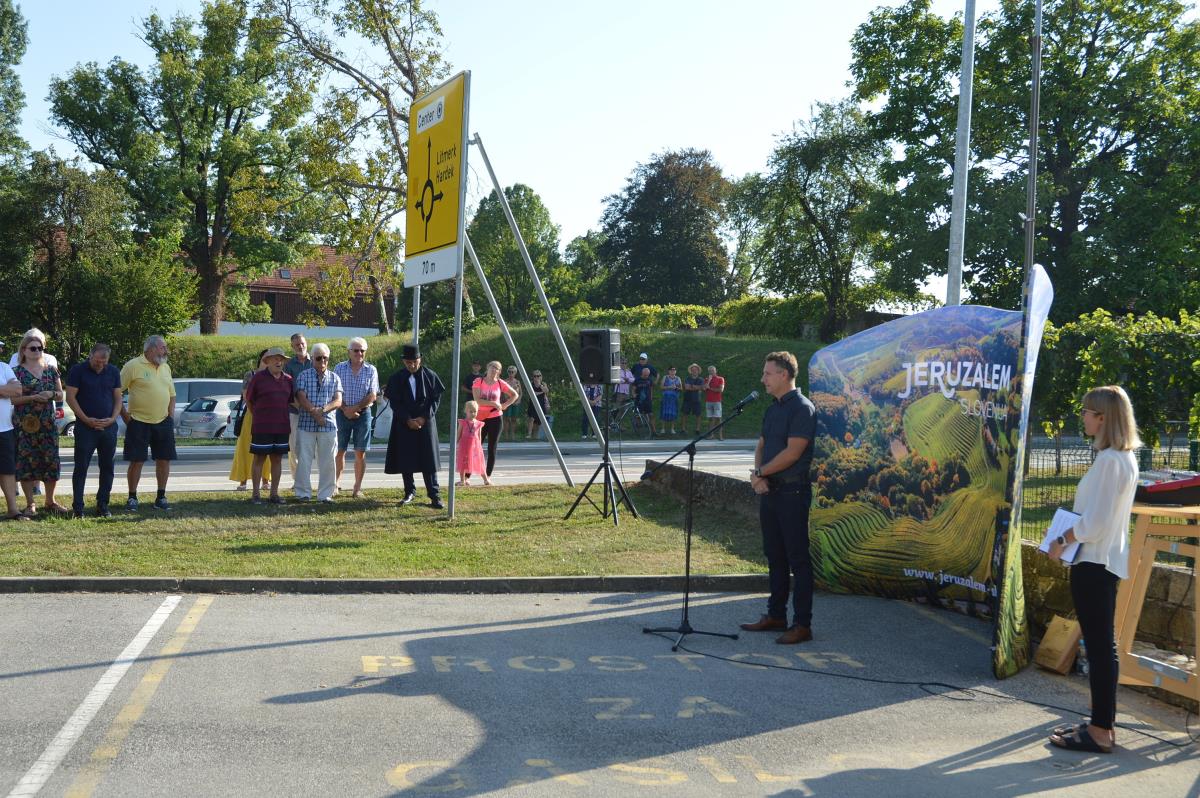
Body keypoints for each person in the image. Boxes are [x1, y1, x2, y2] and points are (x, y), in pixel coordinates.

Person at [1046, 386, 1141, 755]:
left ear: (1102, 418)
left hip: (1093, 562)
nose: (1082, 416)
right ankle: (1101, 724)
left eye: (1087, 411)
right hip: (1103, 562)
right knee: (1102, 646)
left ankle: (1100, 730)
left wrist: (1062, 539)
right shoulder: (1122, 458)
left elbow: (1095, 523)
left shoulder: (1110, 462)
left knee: (1100, 647)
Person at [741, 351, 817, 645]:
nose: (763, 379)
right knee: (774, 555)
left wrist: (760, 472)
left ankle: (802, 624)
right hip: (770, 491)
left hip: (793, 493)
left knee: (798, 559)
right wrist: (758, 477)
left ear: (784, 375)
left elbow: (793, 453)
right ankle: (776, 615)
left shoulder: (802, 408)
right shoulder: (773, 408)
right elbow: (762, 445)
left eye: (767, 373)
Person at [65, 343, 123, 518]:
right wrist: (86, 420)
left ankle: (103, 505)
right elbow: (70, 398)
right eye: (97, 361)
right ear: (90, 356)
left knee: (107, 467)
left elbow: (118, 398)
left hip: (108, 427)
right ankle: (78, 508)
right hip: (85, 427)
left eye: (104, 362)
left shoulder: (113, 371)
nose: (101, 365)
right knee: (81, 467)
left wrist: (112, 418)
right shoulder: (78, 370)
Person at [384, 344, 445, 509]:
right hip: (404, 423)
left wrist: (424, 417)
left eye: (414, 362)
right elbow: (395, 402)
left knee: (428, 459)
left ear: (420, 359)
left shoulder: (430, 376)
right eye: (408, 362)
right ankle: (409, 492)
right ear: (404, 361)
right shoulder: (397, 378)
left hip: (426, 423)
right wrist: (407, 419)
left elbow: (435, 400)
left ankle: (434, 495)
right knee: (406, 457)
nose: (412, 365)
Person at [120, 335, 177, 511]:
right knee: (137, 460)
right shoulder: (132, 366)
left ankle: (161, 497)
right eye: (162, 347)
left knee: (164, 460)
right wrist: (126, 417)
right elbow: (116, 392)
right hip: (138, 422)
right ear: (151, 349)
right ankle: (132, 497)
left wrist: (170, 416)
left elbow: (172, 395)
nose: (165, 351)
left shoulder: (165, 367)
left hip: (163, 422)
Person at [12, 332, 65, 516]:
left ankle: (50, 501)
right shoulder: (16, 372)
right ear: (24, 350)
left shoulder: (51, 370)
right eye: (33, 348)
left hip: (47, 424)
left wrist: (51, 394)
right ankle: (30, 504)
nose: (37, 351)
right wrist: (33, 397)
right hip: (25, 425)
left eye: (40, 348)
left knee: (51, 461)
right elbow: (12, 400)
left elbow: (61, 394)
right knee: (26, 462)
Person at [294, 343, 343, 503]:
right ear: (312, 358)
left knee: (328, 461)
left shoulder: (335, 377)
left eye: (325, 358)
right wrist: (316, 415)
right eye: (318, 358)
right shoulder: (303, 375)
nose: (322, 361)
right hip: (306, 425)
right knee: (304, 460)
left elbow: (338, 401)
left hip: (328, 426)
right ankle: (303, 493)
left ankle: (325, 494)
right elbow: (301, 397)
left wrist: (321, 411)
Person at [245, 347, 294, 504]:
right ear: (268, 361)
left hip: (282, 427)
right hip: (262, 426)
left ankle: (274, 494)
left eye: (281, 359)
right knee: (259, 458)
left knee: (277, 459)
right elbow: (249, 400)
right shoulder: (258, 378)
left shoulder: (288, 380)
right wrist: (258, 416)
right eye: (275, 359)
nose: (279, 362)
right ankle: (255, 494)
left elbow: (290, 401)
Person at [333, 337, 379, 498]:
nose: (359, 353)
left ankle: (357, 488)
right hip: (341, 413)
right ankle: (335, 484)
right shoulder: (339, 368)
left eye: (362, 350)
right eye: (356, 350)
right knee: (339, 451)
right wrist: (345, 409)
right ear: (349, 351)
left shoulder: (371, 370)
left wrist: (355, 408)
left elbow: (373, 395)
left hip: (363, 414)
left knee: (360, 452)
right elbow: (334, 391)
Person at [229, 349, 270, 491]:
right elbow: (246, 396)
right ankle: (243, 481)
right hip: (251, 414)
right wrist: (256, 410)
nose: (268, 360)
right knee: (245, 447)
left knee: (267, 448)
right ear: (261, 358)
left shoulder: (273, 375)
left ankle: (265, 480)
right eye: (266, 357)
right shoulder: (250, 375)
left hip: (268, 416)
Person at [472, 360, 517, 477]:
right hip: (480, 418)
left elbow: (515, 395)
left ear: (499, 371)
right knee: (476, 446)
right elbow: (477, 400)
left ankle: (487, 476)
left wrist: (505, 405)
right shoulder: (479, 381)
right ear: (487, 368)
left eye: (497, 368)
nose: (494, 369)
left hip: (495, 417)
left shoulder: (500, 383)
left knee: (492, 447)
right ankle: (466, 477)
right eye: (492, 366)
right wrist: (494, 403)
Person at [283, 332, 313, 487]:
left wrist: (312, 409)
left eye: (302, 343)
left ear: (306, 343)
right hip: (294, 411)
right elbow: (287, 389)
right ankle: (297, 481)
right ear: (292, 346)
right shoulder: (288, 365)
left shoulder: (315, 360)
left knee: (311, 448)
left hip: (314, 411)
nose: (300, 346)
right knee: (294, 448)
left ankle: (308, 479)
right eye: (297, 344)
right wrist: (300, 406)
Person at [0, 357, 23, 521]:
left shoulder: (4, 367)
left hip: (5, 428)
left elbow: (17, 390)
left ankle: (13, 510)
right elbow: (10, 390)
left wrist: (7, 390)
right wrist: (4, 390)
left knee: (7, 470)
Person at [456, 400, 487, 486]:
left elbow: (479, 436)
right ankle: (462, 480)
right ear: (466, 411)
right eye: (471, 411)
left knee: (479, 462)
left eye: (475, 411)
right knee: (463, 462)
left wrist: (479, 447)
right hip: (464, 446)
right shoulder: (462, 422)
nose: (473, 413)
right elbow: (459, 434)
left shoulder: (479, 423)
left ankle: (486, 480)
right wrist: (455, 443)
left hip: (475, 446)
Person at [525, 370, 550, 440]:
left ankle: (535, 436)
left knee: (538, 421)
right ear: (533, 377)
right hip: (533, 404)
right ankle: (529, 434)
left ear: (541, 377)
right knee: (531, 418)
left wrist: (540, 385)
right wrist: (541, 392)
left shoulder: (543, 384)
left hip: (541, 403)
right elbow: (532, 393)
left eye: (538, 376)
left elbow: (546, 391)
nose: (537, 377)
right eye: (535, 376)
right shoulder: (531, 383)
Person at [704, 365, 726, 441]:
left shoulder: (720, 379)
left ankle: (720, 436)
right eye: (710, 371)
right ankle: (711, 435)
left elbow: (720, 390)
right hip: (708, 401)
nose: (711, 372)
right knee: (710, 419)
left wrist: (710, 388)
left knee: (718, 418)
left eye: (712, 370)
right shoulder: (706, 379)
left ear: (716, 371)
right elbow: (704, 388)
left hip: (717, 401)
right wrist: (709, 380)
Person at [682, 363, 705, 435]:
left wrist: (692, 386)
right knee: (685, 414)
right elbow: (686, 387)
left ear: (698, 371)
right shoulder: (687, 378)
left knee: (698, 414)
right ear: (691, 371)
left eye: (696, 370)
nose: (694, 371)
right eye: (693, 370)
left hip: (697, 399)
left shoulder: (701, 379)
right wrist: (697, 387)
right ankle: (683, 429)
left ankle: (697, 429)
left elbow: (702, 387)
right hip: (687, 398)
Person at [633, 367, 656, 436]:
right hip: (639, 401)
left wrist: (651, 398)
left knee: (651, 415)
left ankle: (654, 431)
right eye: (645, 375)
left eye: (647, 375)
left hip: (647, 401)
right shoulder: (637, 380)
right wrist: (633, 394)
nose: (646, 376)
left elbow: (651, 389)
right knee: (638, 416)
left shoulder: (649, 380)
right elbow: (633, 389)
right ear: (642, 373)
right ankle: (639, 432)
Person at [501, 365, 522, 441]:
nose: (511, 373)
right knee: (506, 418)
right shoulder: (505, 381)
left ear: (515, 373)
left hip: (515, 403)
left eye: (512, 372)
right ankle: (506, 435)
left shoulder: (517, 382)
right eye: (509, 372)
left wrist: (519, 400)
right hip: (507, 402)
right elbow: (502, 393)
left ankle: (512, 434)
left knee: (514, 419)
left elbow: (520, 393)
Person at [660, 366, 682, 435]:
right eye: (671, 370)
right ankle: (663, 428)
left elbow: (681, 388)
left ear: (675, 371)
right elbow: (661, 387)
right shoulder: (665, 377)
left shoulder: (678, 378)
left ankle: (672, 428)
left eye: (674, 370)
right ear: (668, 371)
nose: (673, 371)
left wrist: (676, 388)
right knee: (664, 412)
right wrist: (669, 387)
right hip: (666, 398)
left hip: (674, 398)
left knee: (673, 412)